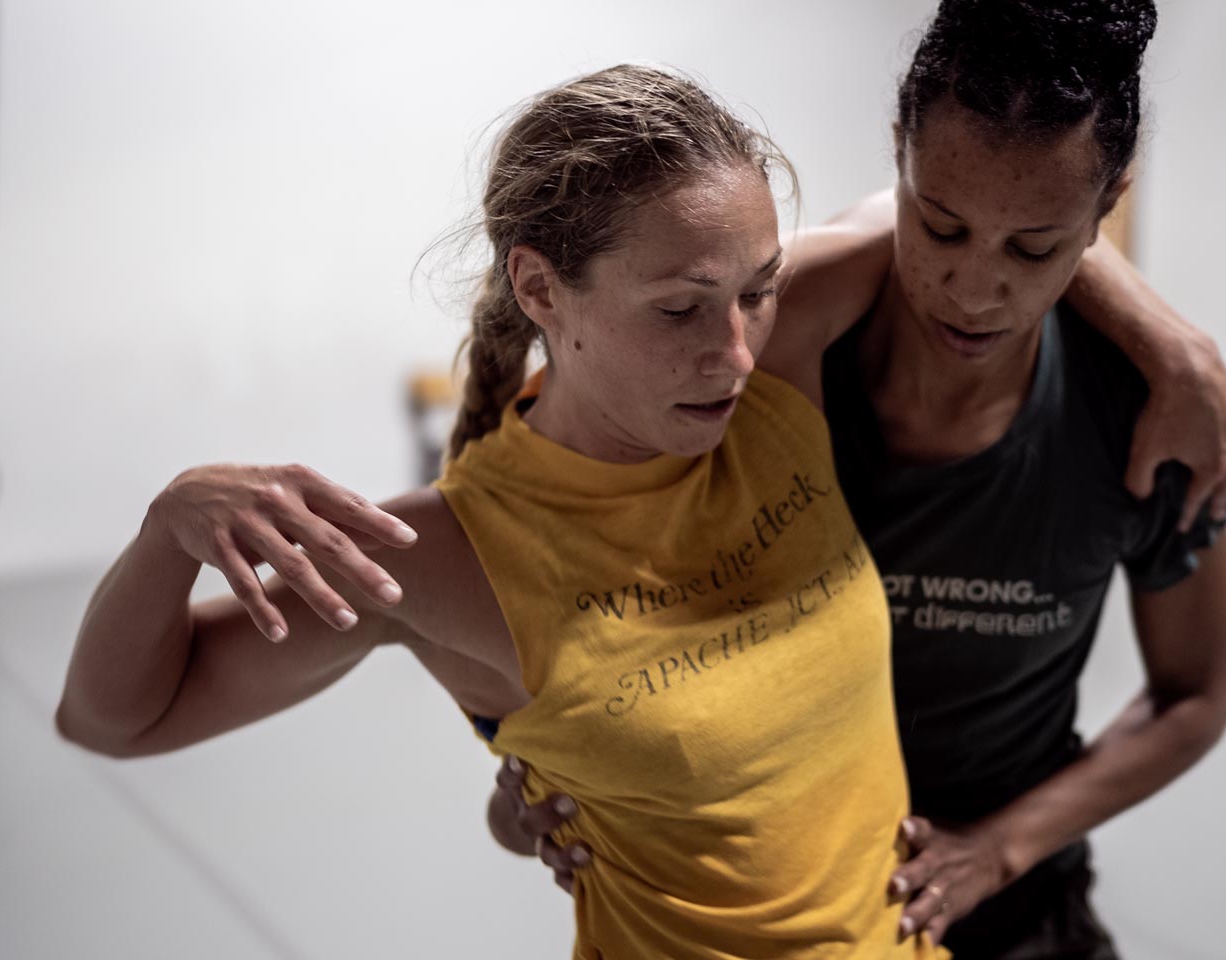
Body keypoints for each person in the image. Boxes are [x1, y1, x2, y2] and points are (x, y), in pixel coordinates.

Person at [55, 64, 949, 959]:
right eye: (680, 309)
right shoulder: (440, 552)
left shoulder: (780, 366)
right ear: (540, 290)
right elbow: (115, 719)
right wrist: (167, 528)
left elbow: (1002, 211)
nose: (737, 353)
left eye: (756, 291)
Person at [497, 2, 1226, 956]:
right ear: (897, 157)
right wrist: (570, 766)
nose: (974, 291)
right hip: (785, 913)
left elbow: (1195, 696)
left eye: (1034, 248)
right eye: (940, 226)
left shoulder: (1149, 417)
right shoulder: (765, 353)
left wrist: (1001, 847)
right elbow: (576, 526)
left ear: (1106, 209)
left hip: (1020, 911)